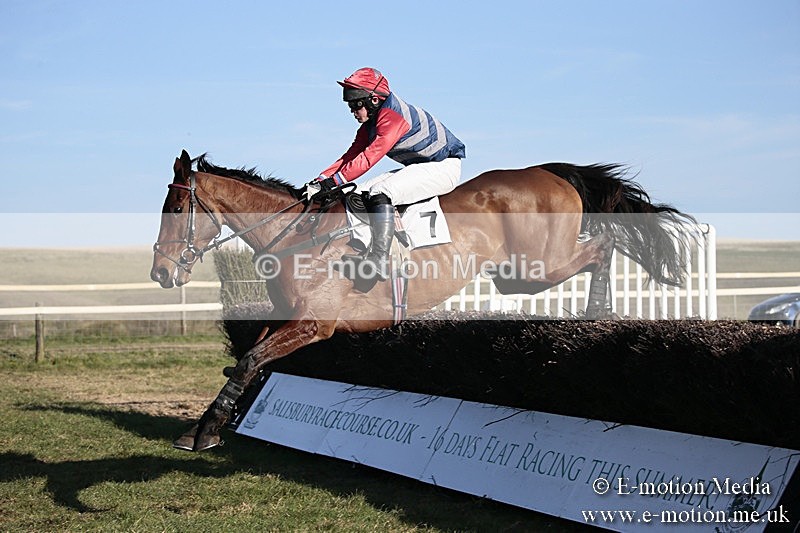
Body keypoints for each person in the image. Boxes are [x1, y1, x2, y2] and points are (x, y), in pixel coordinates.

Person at [304, 67, 466, 281]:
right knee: (359, 191)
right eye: (350, 106)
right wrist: (320, 180)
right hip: (421, 167)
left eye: (356, 105)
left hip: (444, 167)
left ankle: (379, 259)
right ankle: (363, 247)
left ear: (373, 100)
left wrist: (334, 181)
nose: (352, 112)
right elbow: (349, 157)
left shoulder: (392, 118)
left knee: (380, 191)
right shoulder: (369, 125)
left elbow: (369, 157)